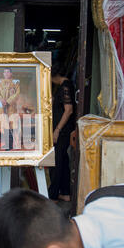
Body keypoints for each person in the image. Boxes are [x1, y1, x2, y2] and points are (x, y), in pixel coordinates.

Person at [48, 65, 75, 202]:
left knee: (56, 162)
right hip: (63, 130)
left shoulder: (65, 86)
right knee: (63, 161)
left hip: (63, 131)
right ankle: (65, 193)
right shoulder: (65, 85)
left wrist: (57, 130)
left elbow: (68, 109)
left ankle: (52, 195)